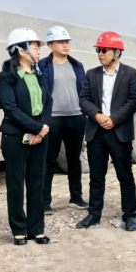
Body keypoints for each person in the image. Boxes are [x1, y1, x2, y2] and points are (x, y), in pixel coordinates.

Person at [76, 32, 136, 231]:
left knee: (125, 176)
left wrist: (114, 119)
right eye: (98, 50)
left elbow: (133, 102)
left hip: (119, 132)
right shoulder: (92, 74)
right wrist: (96, 115)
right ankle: (94, 214)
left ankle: (129, 215)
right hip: (96, 132)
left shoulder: (131, 73)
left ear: (117, 52)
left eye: (104, 50)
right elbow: (83, 99)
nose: (100, 54)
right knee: (96, 177)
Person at [0, 28, 52, 245]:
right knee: (16, 184)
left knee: (37, 183)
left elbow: (48, 102)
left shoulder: (38, 74)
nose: (39, 51)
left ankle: (36, 229)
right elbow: (11, 108)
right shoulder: (6, 77)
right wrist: (36, 128)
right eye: (35, 47)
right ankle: (19, 229)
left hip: (39, 135)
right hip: (15, 136)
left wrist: (42, 127)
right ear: (21, 50)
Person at [38, 26, 88, 215]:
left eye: (67, 42)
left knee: (74, 160)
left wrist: (85, 112)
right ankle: (44, 202)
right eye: (61, 42)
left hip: (76, 118)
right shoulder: (42, 66)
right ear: (50, 45)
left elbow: (84, 90)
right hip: (53, 119)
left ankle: (76, 198)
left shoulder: (77, 65)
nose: (66, 45)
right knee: (48, 160)